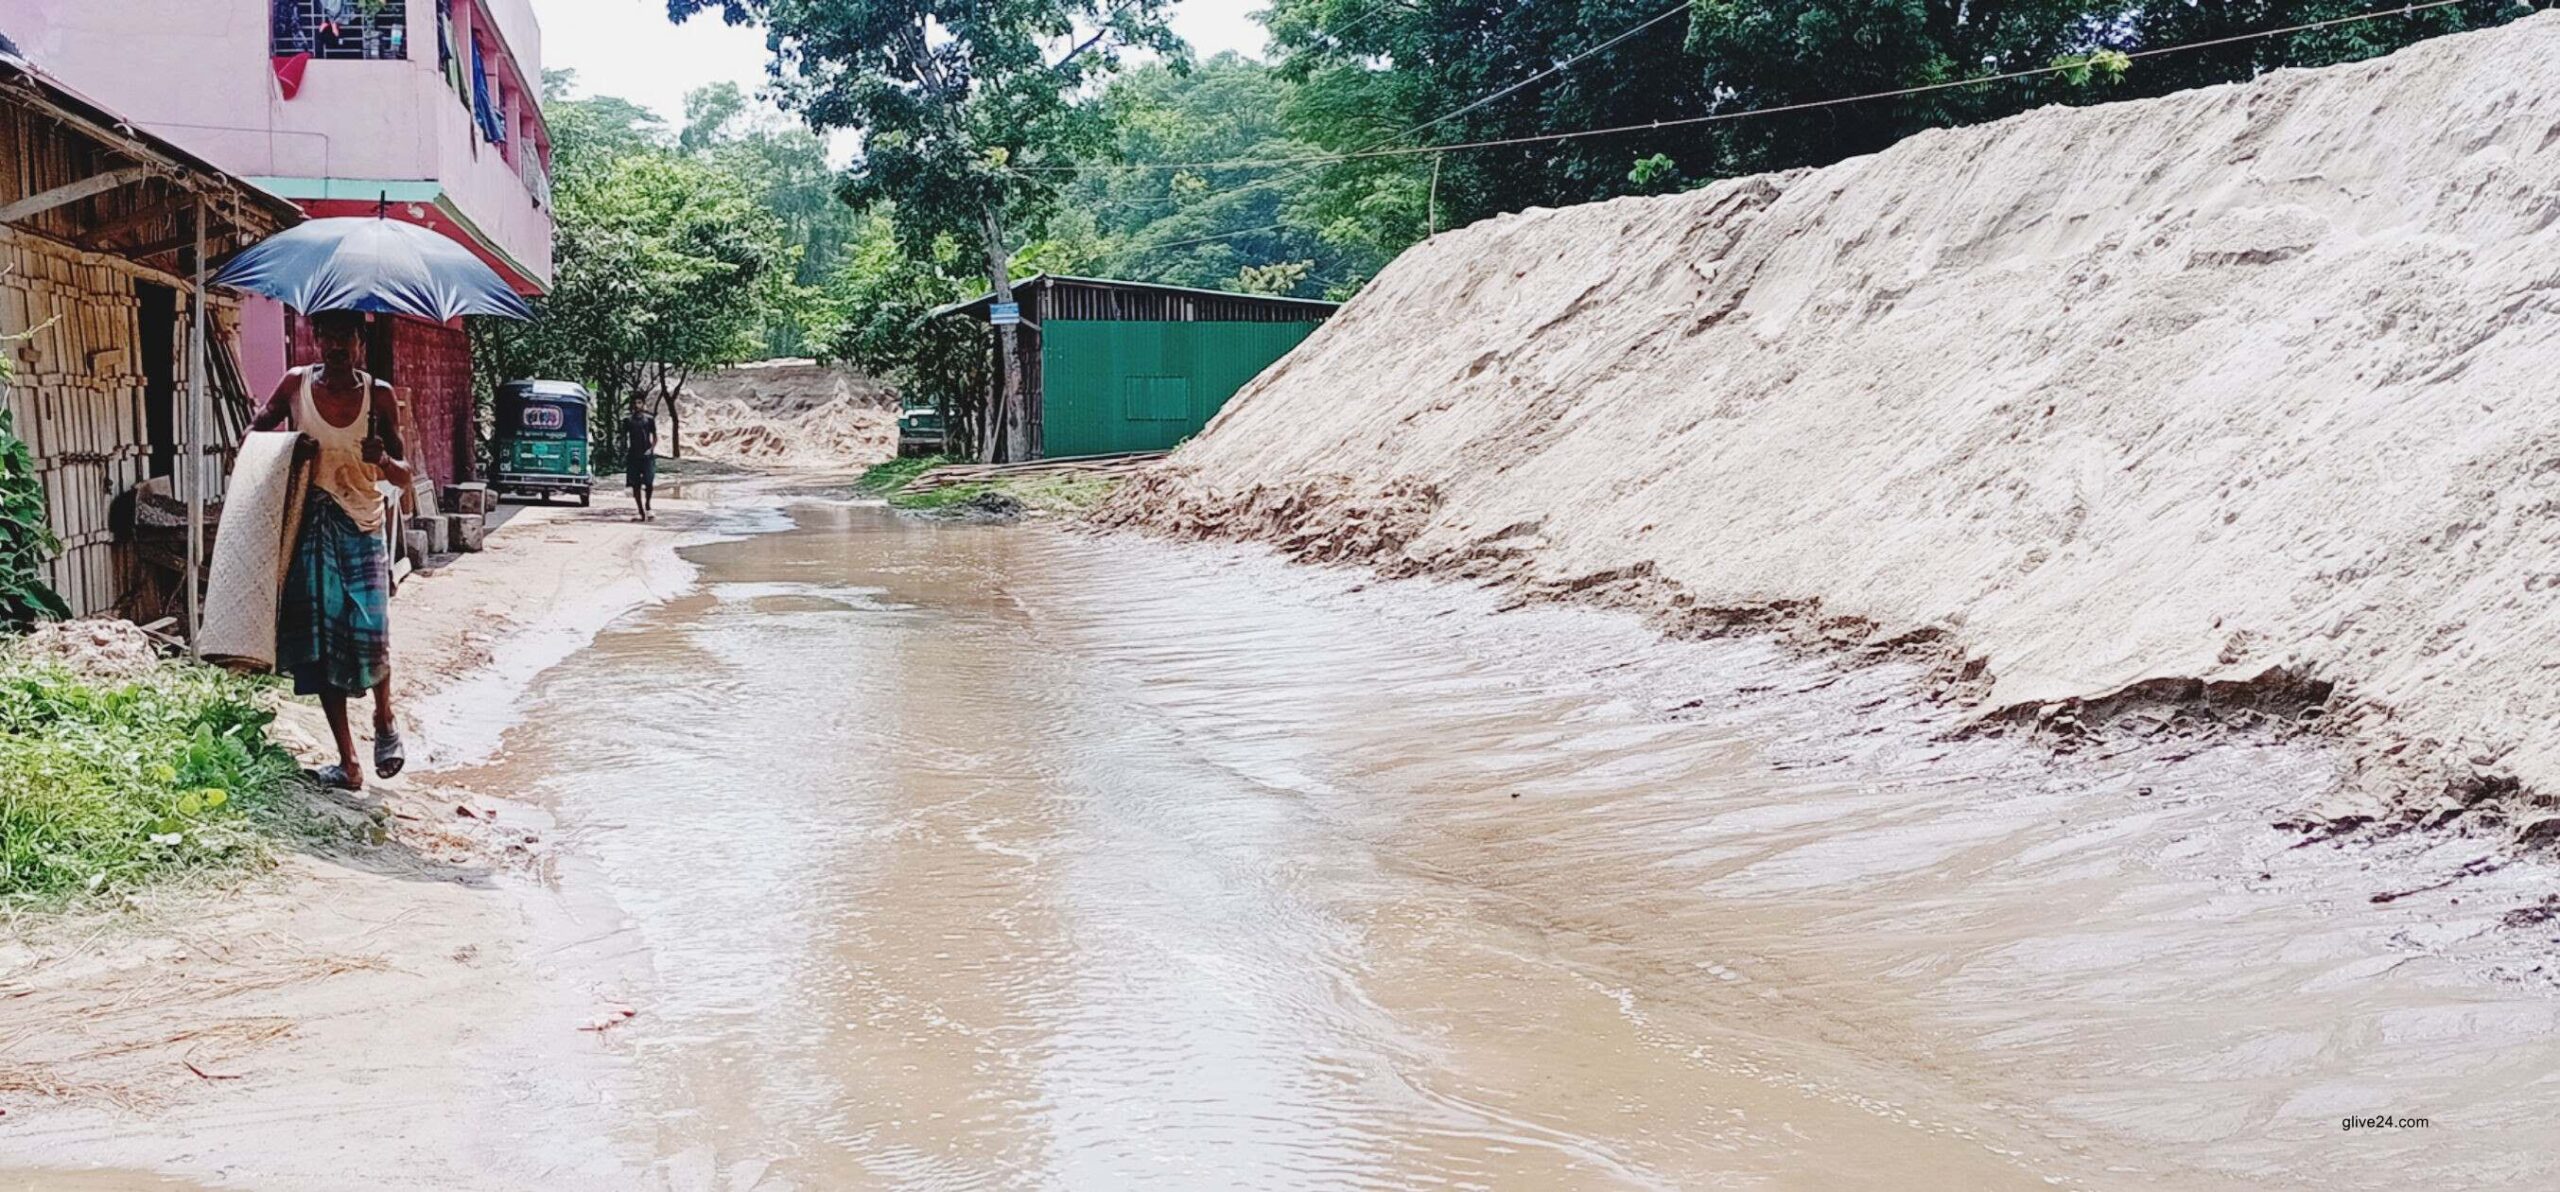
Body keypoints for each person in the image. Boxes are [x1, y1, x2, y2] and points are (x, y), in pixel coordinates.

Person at [250, 310, 411, 790]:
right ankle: (348, 762)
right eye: (329, 336)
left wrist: (382, 458)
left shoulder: (378, 395)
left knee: (370, 631)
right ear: (316, 339)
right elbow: (257, 434)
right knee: (318, 646)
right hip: (311, 525)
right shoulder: (295, 385)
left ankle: (384, 720)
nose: (338, 346)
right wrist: (285, 452)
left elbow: (403, 475)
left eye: (348, 337)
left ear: (361, 342)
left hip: (363, 526)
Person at [623, 401, 659, 522]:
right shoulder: (628, 421)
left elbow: (655, 436)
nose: (636, 405)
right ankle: (640, 511)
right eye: (635, 403)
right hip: (633, 455)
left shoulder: (649, 420)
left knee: (649, 482)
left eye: (639, 403)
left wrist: (652, 449)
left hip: (647, 455)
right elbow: (624, 437)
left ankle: (648, 505)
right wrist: (624, 451)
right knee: (635, 484)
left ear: (643, 404)